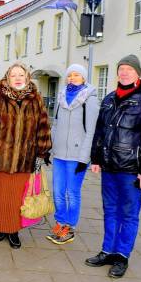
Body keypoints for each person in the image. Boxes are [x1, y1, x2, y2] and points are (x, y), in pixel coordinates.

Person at [85, 55, 141, 278]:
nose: (124, 73)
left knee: (129, 214)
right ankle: (107, 251)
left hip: (132, 171)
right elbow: (100, 132)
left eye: (129, 69)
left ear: (137, 73)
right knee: (109, 210)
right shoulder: (110, 99)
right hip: (109, 168)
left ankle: (122, 256)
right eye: (121, 69)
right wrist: (95, 158)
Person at [0, 62, 52, 249]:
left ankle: (13, 230)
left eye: (21, 75)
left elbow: (43, 127)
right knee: (0, 195)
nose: (17, 78)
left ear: (27, 77)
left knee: (18, 197)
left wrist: (42, 153)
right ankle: (1, 228)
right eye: (13, 75)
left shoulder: (35, 99)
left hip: (25, 158)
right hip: (1, 157)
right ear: (7, 78)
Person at [46, 64, 99, 245]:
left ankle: (70, 227)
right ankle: (60, 223)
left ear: (84, 78)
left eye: (76, 75)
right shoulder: (61, 97)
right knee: (58, 191)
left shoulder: (90, 100)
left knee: (72, 192)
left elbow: (91, 131)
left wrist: (84, 158)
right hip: (59, 154)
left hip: (77, 156)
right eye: (69, 75)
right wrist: (50, 148)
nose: (72, 78)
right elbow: (55, 125)